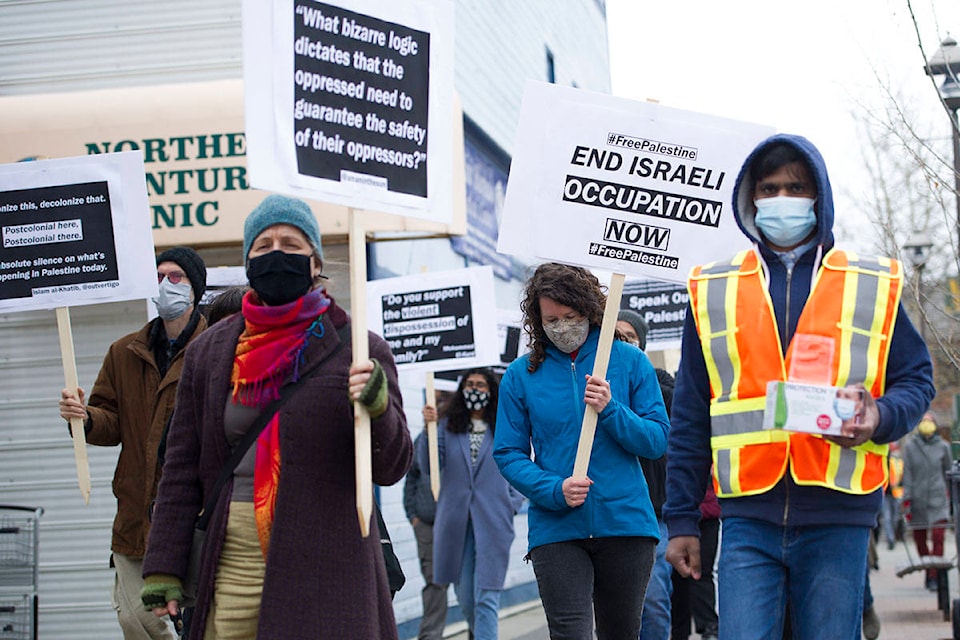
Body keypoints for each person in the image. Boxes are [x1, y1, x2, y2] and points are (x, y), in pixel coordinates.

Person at [663, 134, 936, 640]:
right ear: (750, 199)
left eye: (796, 187)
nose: (782, 199)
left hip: (838, 514)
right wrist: (681, 518)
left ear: (820, 197)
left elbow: (917, 379)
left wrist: (877, 415)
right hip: (747, 518)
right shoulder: (714, 289)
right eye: (769, 188)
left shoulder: (869, 282)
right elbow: (691, 414)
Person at [138, 194, 412, 638]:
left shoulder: (359, 349)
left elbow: (392, 465)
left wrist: (377, 409)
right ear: (248, 262)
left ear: (314, 261)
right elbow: (181, 467)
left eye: (291, 242)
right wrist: (163, 565)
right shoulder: (209, 351)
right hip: (232, 557)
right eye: (263, 246)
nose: (277, 252)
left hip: (327, 555)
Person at [493, 262, 670, 640]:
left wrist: (612, 409)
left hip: (625, 524)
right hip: (556, 528)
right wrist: (554, 490)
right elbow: (507, 453)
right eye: (550, 320)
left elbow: (656, 441)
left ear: (589, 311)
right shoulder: (521, 375)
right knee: (570, 633)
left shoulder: (630, 362)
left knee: (620, 632)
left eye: (569, 316)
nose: (561, 327)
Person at [58, 246, 207, 640]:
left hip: (195, 517)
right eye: (158, 277)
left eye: (175, 277)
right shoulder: (124, 353)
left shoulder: (214, 350)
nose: (164, 285)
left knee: (200, 619)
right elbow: (110, 422)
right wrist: (85, 417)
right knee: (135, 620)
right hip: (135, 517)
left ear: (196, 289)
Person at [419, 368, 523, 640]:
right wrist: (428, 429)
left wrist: (512, 502)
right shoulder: (447, 426)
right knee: (464, 596)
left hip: (494, 520)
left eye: (481, 385)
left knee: (486, 596)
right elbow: (429, 466)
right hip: (456, 521)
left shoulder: (505, 427)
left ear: (491, 392)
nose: (474, 390)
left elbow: (520, 466)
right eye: (469, 384)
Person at [615, 309, 675, 640]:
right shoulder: (591, 383)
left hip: (652, 512)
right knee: (613, 606)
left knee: (652, 600)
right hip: (609, 511)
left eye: (629, 338)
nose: (621, 343)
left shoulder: (660, 386)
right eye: (615, 337)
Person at [403, 430, 449, 640]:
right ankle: (430, 636)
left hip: (457, 524)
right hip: (426, 524)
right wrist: (413, 516)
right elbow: (411, 477)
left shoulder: (457, 436)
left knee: (468, 582)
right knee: (435, 580)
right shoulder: (422, 440)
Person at [902, 412, 952, 591]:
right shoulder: (910, 447)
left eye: (930, 422)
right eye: (923, 422)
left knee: (938, 537)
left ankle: (934, 574)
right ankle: (927, 568)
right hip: (917, 499)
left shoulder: (943, 447)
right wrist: (906, 499)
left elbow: (948, 474)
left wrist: (952, 500)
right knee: (919, 538)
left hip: (938, 499)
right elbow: (907, 474)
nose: (927, 425)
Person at [670, 482, 719, 640]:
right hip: (678, 513)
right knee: (679, 578)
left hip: (706, 514)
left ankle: (709, 628)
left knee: (701, 573)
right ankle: (685, 632)